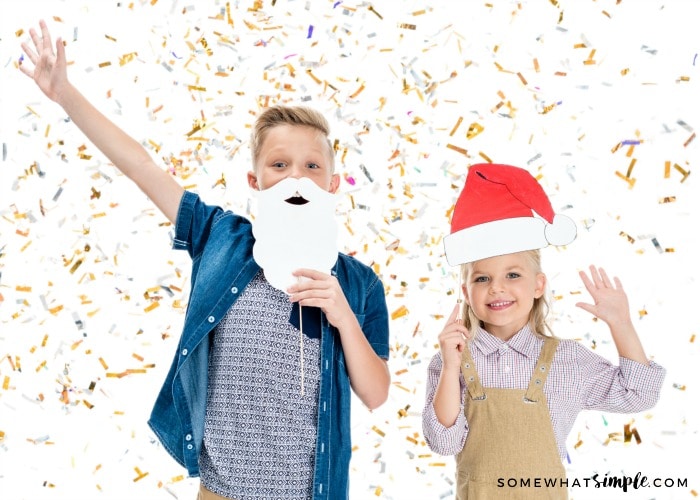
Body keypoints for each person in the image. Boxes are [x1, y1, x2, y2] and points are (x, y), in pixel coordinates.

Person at [20, 20, 390, 500]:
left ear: (334, 184)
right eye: (279, 165)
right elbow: (141, 166)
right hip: (222, 492)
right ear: (255, 181)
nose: (296, 177)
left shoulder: (359, 284)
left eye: (312, 166)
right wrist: (65, 94)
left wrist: (342, 316)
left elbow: (377, 393)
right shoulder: (221, 239)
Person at [422, 163, 665, 499]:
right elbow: (443, 442)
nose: (497, 288)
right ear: (466, 293)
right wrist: (450, 368)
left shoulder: (568, 360)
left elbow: (639, 394)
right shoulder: (451, 362)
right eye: (482, 278)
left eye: (512, 275)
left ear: (538, 285)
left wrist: (620, 324)